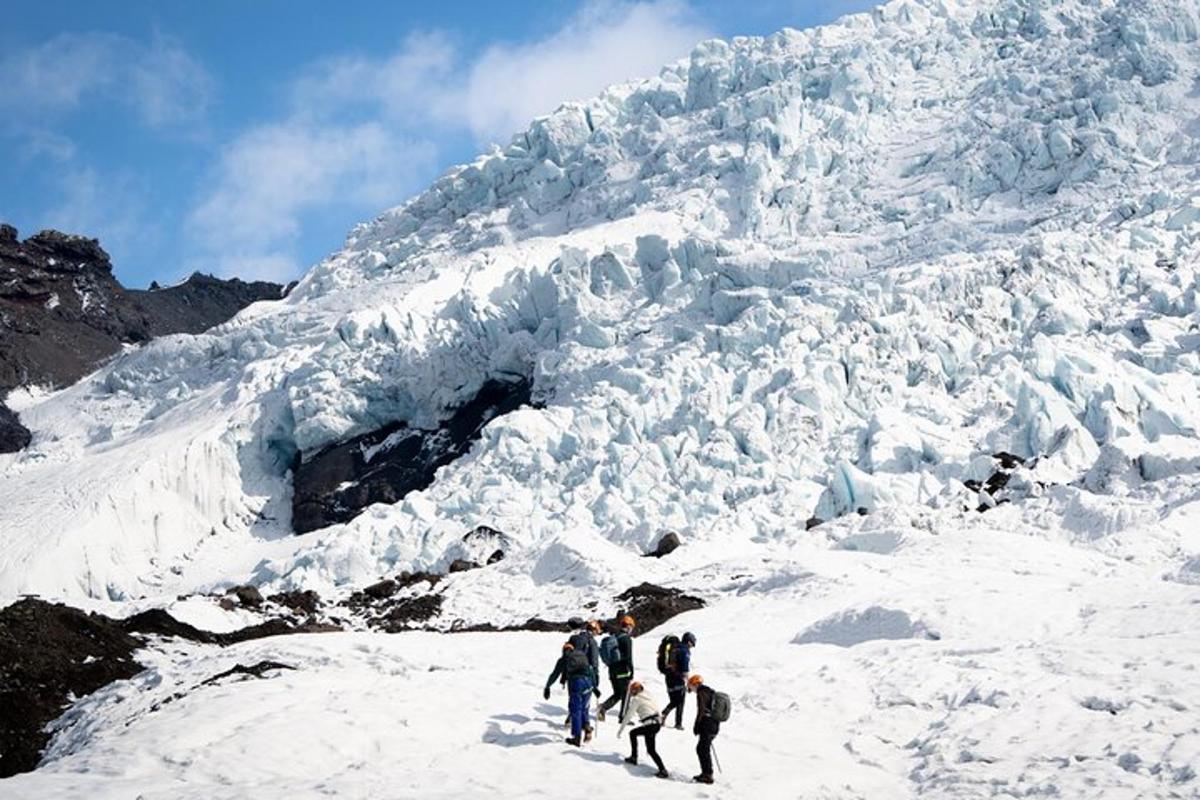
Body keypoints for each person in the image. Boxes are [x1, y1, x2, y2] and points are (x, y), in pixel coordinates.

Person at [544, 641, 598, 746]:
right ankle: (586, 726)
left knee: (575, 709)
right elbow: (590, 669)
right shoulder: (582, 655)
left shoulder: (564, 659)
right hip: (588, 683)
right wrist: (595, 687)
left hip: (577, 683)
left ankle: (576, 738)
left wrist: (547, 687)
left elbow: (554, 674)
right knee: (584, 707)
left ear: (564, 650)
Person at [617, 681, 669, 779]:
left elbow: (629, 715)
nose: (631, 693)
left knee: (637, 737)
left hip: (650, 725)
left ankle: (661, 769)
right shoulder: (649, 695)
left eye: (632, 691)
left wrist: (620, 729)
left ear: (635, 690)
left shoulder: (637, 699)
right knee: (648, 747)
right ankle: (635, 757)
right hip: (656, 724)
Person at [598, 615, 636, 721]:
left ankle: (603, 708)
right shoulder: (626, 639)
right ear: (628, 626)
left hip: (612, 670)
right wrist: (631, 671)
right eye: (631, 627)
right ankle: (623, 717)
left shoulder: (615, 636)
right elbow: (628, 657)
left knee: (618, 694)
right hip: (623, 670)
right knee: (626, 694)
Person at [688, 674, 719, 784]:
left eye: (691, 686)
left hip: (707, 725)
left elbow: (701, 710)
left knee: (702, 749)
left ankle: (707, 775)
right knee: (703, 748)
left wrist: (696, 726)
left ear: (695, 684)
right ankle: (706, 773)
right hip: (714, 724)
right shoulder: (711, 692)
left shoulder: (701, 693)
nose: (691, 689)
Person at [661, 631, 695, 729]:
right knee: (680, 701)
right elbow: (684, 668)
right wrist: (688, 683)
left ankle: (663, 716)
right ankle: (677, 723)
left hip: (668, 677)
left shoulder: (675, 648)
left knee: (674, 700)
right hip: (678, 678)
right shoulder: (685, 651)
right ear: (689, 641)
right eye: (692, 643)